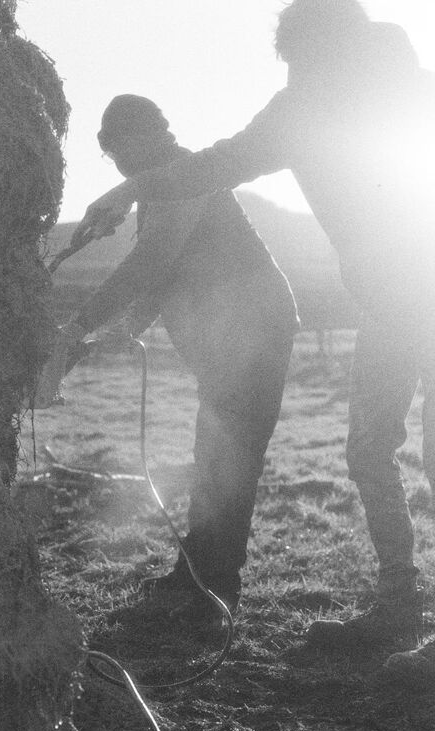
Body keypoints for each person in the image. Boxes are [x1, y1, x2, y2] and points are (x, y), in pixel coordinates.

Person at [72, 1, 435, 685]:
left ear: (343, 48)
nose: (300, 76)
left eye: (308, 61)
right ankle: (396, 604)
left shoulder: (425, 94)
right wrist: (134, 187)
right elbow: (219, 162)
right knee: (366, 451)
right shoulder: (297, 108)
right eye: (293, 66)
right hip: (385, 304)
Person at [52, 94, 299, 621]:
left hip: (253, 329)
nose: (117, 164)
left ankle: (213, 590)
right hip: (226, 336)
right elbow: (163, 274)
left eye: (118, 150)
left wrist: (77, 326)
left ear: (145, 137)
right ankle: (196, 576)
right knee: (212, 452)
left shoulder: (183, 176)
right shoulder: (160, 186)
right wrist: (122, 327)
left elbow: (152, 263)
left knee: (229, 459)